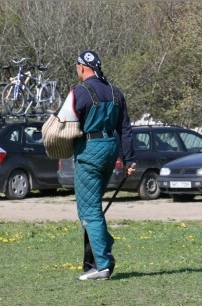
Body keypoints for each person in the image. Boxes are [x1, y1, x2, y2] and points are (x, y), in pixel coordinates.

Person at [72, 50, 136, 280]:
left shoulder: (79, 92)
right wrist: (128, 160)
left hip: (89, 152)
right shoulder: (115, 92)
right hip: (109, 151)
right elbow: (125, 129)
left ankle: (102, 264)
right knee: (94, 208)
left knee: (88, 210)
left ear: (82, 67)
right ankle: (93, 259)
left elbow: (64, 122)